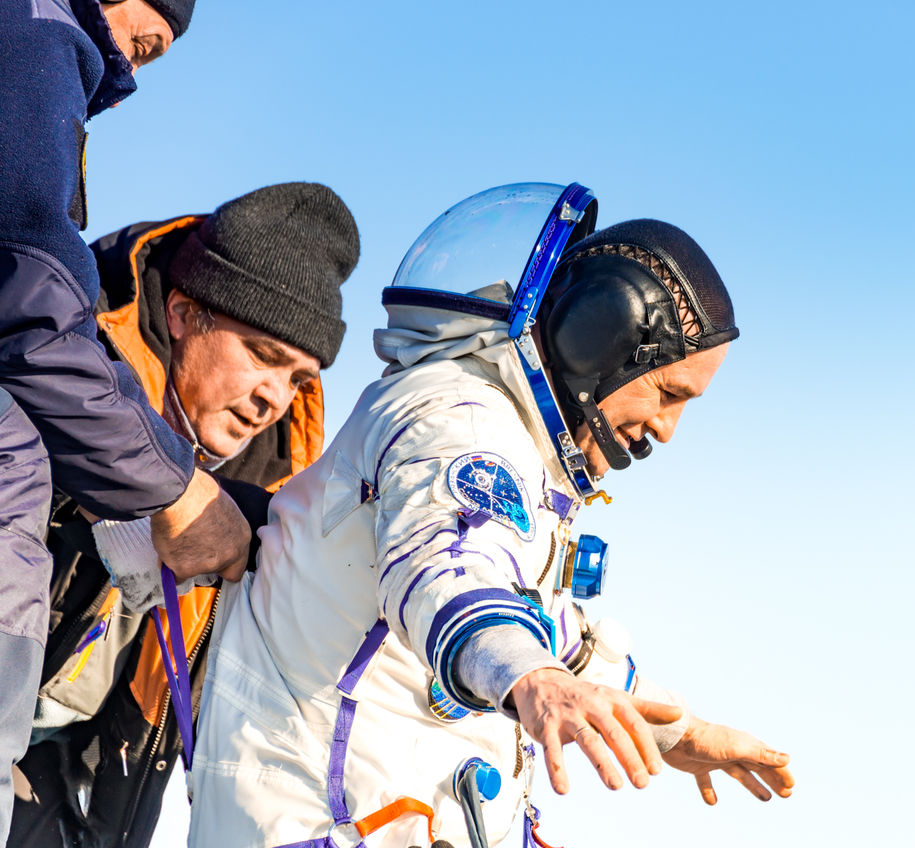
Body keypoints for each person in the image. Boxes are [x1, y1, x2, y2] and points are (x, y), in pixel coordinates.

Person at [188, 183, 794, 848]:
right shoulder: (460, 426)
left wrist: (677, 732)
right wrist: (533, 681)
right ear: (600, 340)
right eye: (667, 392)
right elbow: (447, 569)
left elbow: (541, 622)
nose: (669, 429)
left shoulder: (512, 445)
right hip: (326, 822)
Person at [7, 182, 360, 848]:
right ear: (180, 312)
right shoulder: (53, 352)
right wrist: (126, 498)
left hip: (49, 760)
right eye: (263, 356)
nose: (273, 400)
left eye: (298, 381)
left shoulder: (262, 509)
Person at [0, 0, 252, 838]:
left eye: (300, 378)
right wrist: (169, 491)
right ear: (182, 316)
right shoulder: (40, 38)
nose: (135, 72)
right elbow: (31, 300)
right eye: (143, 40)